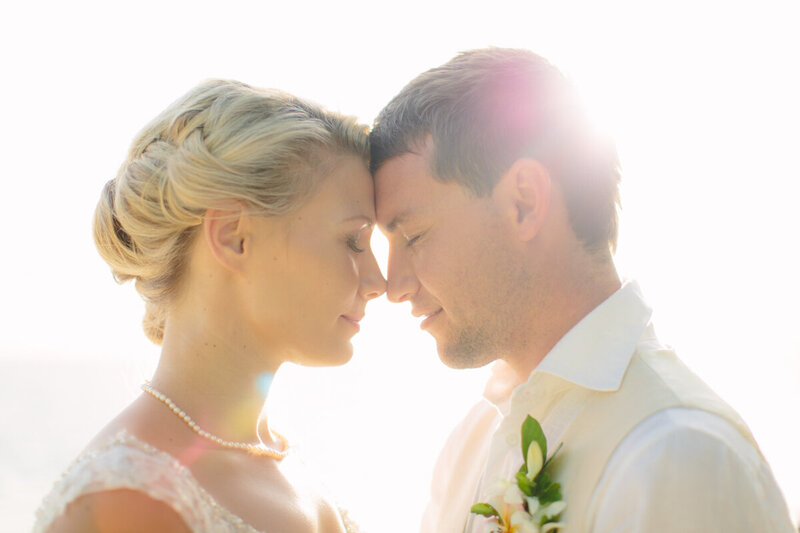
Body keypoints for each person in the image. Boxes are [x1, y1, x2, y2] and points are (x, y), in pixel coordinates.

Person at [369, 48, 795, 532]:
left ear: (524, 203)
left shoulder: (680, 455)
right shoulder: (474, 441)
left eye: (414, 237)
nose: (394, 286)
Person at [34, 79, 385, 533]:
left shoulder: (280, 461)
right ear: (233, 236)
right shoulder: (127, 502)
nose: (379, 280)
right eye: (353, 240)